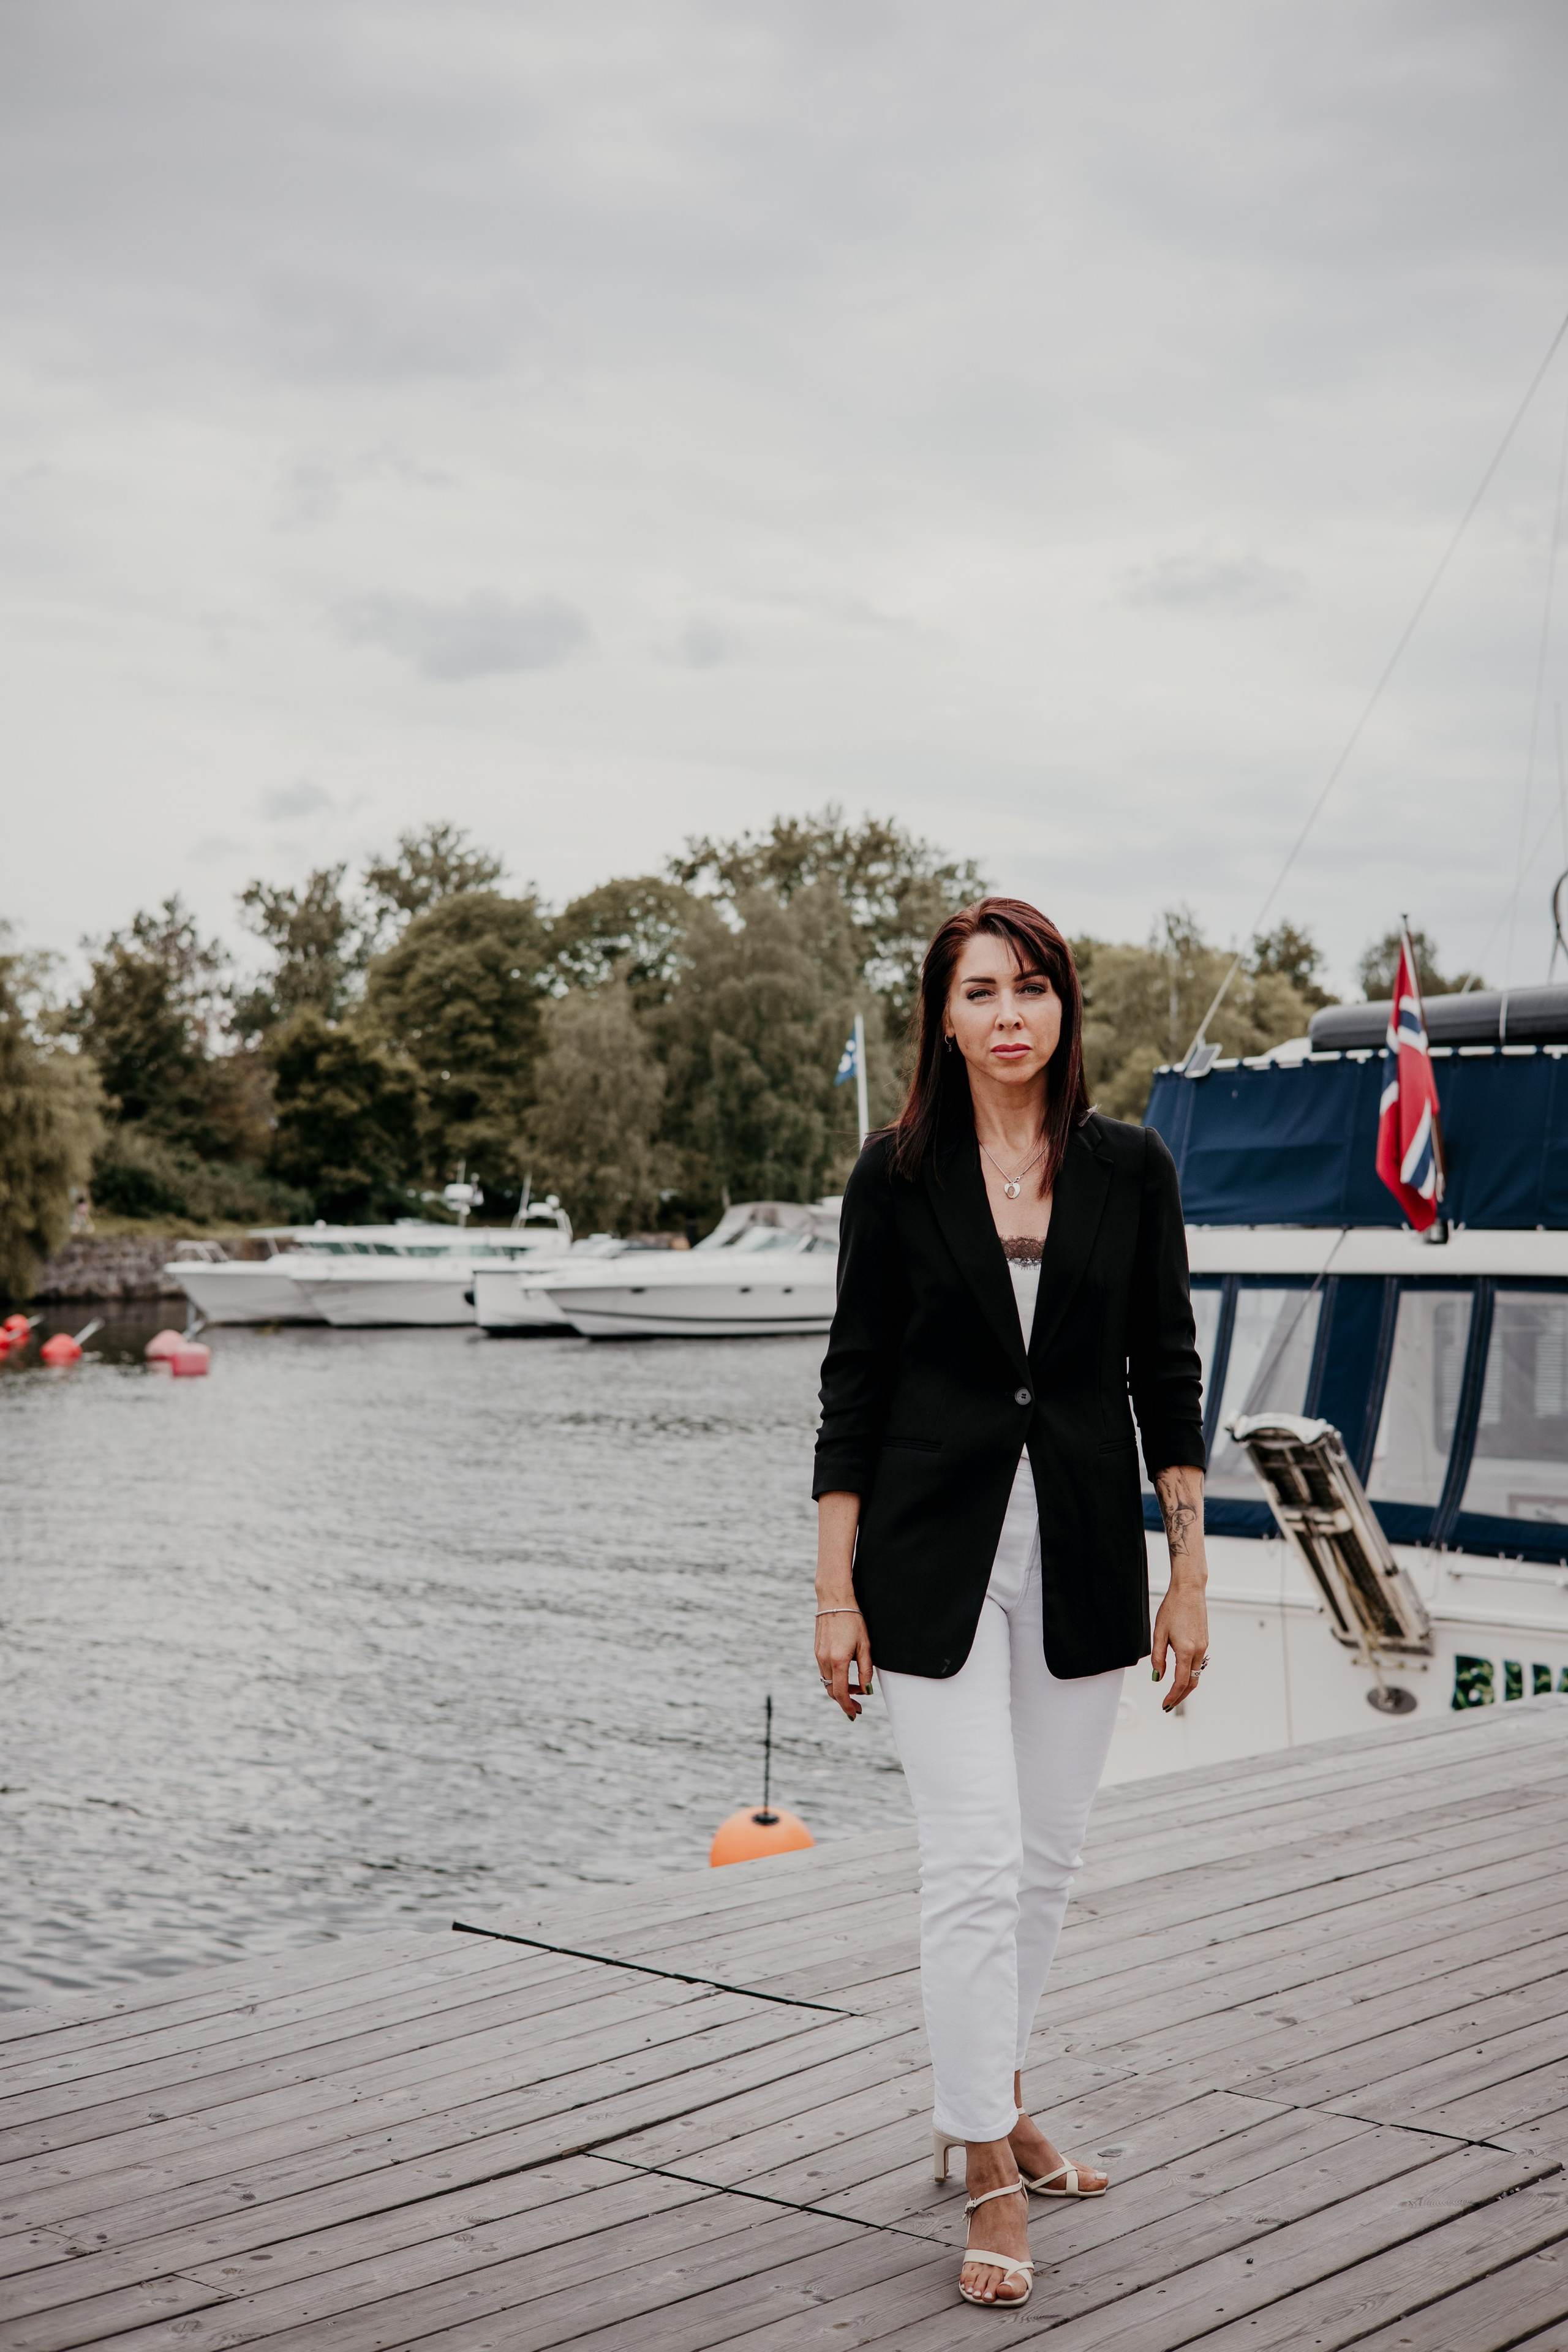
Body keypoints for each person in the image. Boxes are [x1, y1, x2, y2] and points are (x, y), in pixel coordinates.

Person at [813, 896, 1209, 2310]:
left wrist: (1189, 1576)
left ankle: (996, 2093)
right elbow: (851, 1384)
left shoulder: (1128, 1170)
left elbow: (1165, 1373)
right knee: (973, 1860)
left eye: (1028, 989)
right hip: (927, 1563)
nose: (1005, 1016)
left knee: (1044, 1860)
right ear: (942, 1014)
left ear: (1061, 1010)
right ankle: (983, 2157)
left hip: (1089, 1551)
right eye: (977, 991)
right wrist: (829, 1597)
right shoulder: (895, 1174)